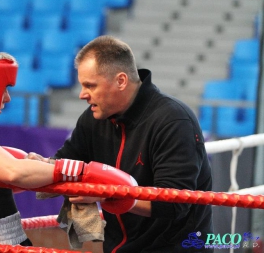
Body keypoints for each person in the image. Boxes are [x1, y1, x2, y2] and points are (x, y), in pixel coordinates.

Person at [0, 43, 137, 246]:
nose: (7, 97)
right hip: (2, 248)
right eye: (4, 88)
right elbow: (14, 172)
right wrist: (81, 171)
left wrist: (40, 166)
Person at [29, 35, 213, 252]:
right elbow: (66, 161)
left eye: (90, 85)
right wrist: (40, 166)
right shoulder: (93, 118)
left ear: (121, 81)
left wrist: (107, 194)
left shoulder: (173, 120)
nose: (82, 95)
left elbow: (174, 202)